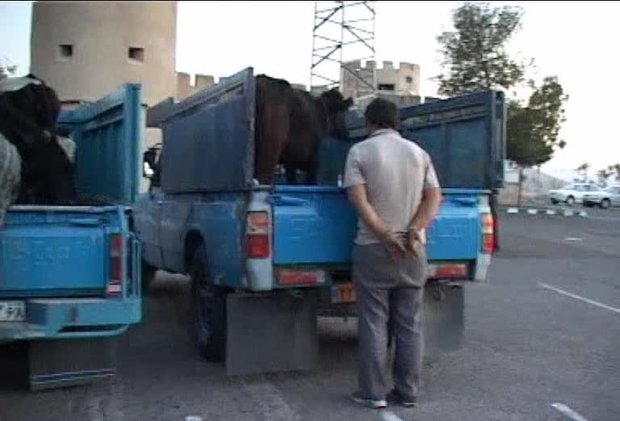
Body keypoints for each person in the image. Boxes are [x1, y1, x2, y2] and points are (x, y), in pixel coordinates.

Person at [343, 97, 443, 409]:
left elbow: (360, 202)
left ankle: (372, 392)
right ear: (396, 123)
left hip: (373, 248)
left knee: (374, 320)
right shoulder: (419, 153)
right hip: (414, 249)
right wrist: (414, 229)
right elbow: (433, 197)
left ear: (370, 123)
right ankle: (407, 392)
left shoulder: (359, 152)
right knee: (410, 323)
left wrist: (386, 235)